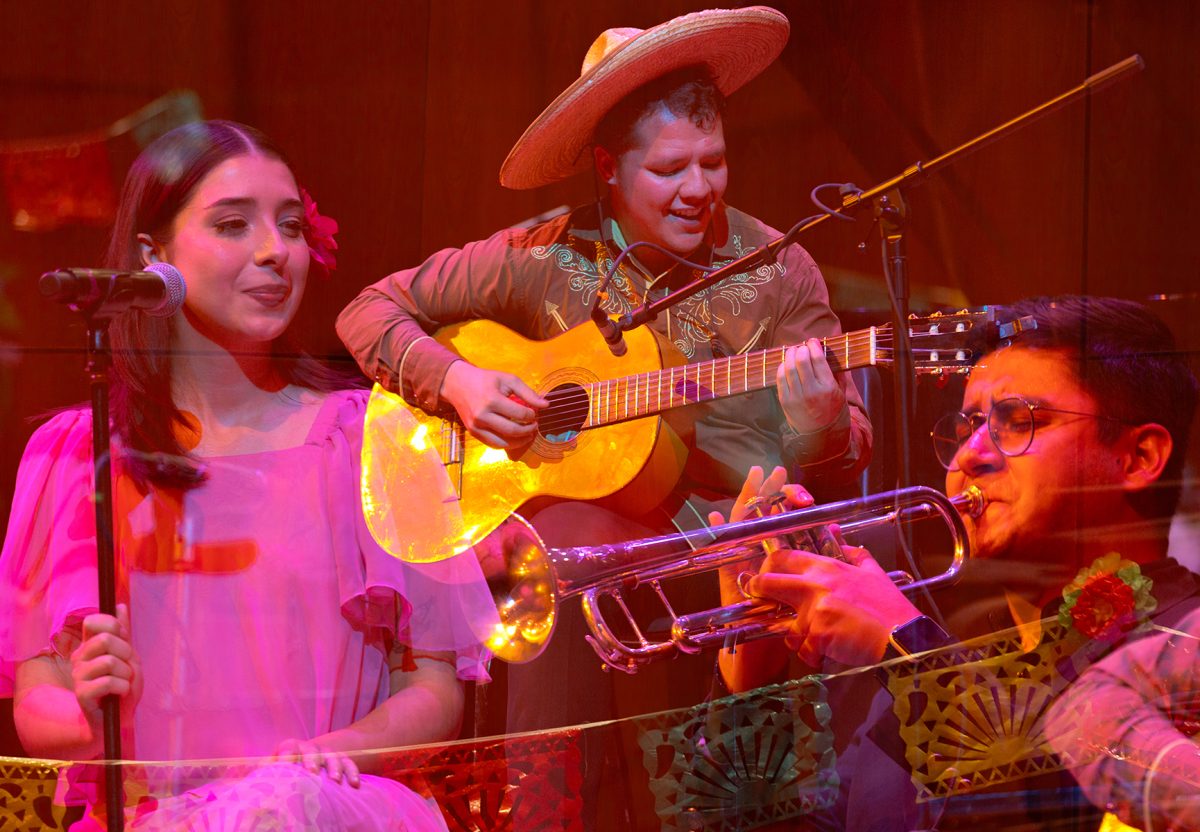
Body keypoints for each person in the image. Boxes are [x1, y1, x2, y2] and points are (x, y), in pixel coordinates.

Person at [335, 7, 872, 739]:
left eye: (712, 161)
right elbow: (369, 311)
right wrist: (459, 382)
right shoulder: (541, 255)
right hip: (575, 565)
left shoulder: (779, 270)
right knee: (564, 538)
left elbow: (839, 467)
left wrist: (822, 426)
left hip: (734, 553)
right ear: (608, 168)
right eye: (668, 169)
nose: (698, 189)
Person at [0, 120, 496, 830]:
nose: (276, 251)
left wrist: (321, 760)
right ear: (154, 256)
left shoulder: (372, 438)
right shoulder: (77, 453)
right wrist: (87, 709)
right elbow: (36, 702)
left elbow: (434, 687)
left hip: (323, 804)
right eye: (233, 224)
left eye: (290, 226)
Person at [722, 295, 1200, 829]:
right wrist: (752, 689)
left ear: (1138, 458)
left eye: (1018, 421)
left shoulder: (1187, 648)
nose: (970, 455)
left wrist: (907, 649)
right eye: (968, 424)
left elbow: (1047, 806)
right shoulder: (951, 664)